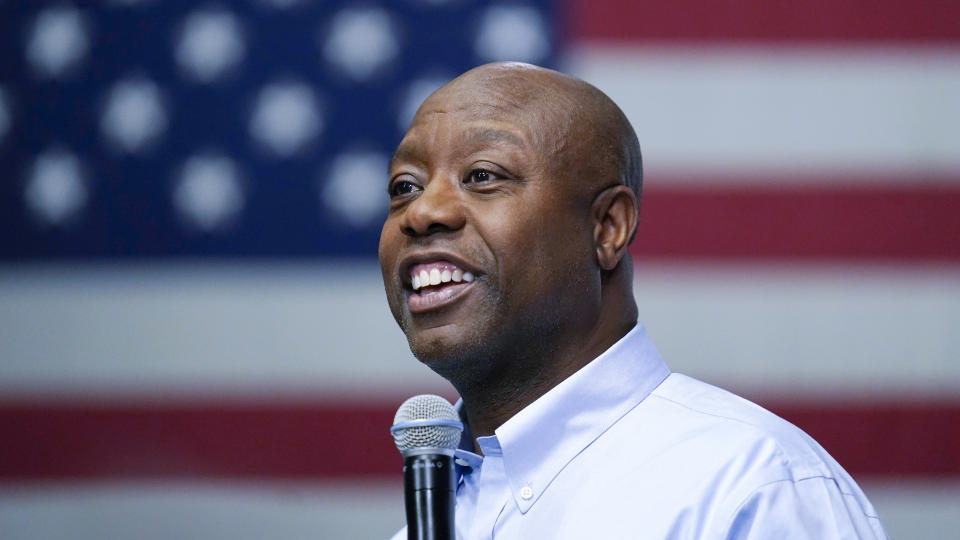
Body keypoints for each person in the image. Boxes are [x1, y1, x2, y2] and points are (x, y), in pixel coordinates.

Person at [379, 62, 888, 539]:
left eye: (483, 175)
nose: (422, 212)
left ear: (607, 228)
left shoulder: (751, 488)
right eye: (405, 186)